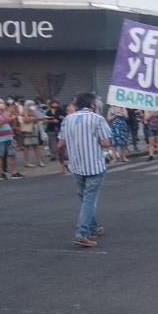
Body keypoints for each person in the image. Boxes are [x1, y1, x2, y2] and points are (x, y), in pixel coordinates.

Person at [57, 92, 112, 248]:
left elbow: (60, 144)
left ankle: (93, 227)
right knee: (89, 200)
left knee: (85, 199)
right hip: (94, 165)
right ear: (92, 105)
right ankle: (81, 234)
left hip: (76, 165)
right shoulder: (97, 119)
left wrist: (63, 161)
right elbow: (105, 142)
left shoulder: (68, 119)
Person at [0, 98, 23, 179]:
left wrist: (14, 119)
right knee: (0, 156)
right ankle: (1, 173)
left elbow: (10, 123)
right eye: (0, 103)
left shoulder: (5, 112)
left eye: (3, 103)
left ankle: (14, 172)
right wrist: (3, 120)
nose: (2, 104)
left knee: (12, 154)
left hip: (9, 137)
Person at [19, 100, 45, 168]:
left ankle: (40, 161)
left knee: (36, 146)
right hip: (27, 131)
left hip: (33, 130)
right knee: (26, 147)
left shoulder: (33, 112)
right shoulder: (25, 111)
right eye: (30, 105)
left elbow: (35, 121)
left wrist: (36, 119)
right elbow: (26, 120)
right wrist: (34, 118)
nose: (32, 106)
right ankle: (26, 162)